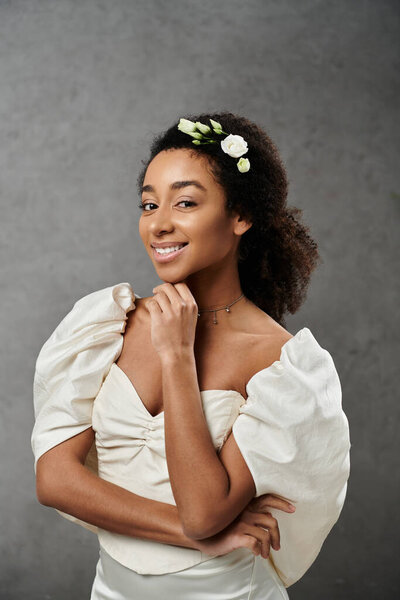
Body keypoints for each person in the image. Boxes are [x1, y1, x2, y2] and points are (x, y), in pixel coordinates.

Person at [31, 111, 351, 599]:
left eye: (184, 202)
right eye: (148, 204)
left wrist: (178, 355)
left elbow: (204, 510)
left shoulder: (280, 364)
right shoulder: (105, 326)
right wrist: (191, 535)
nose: (159, 224)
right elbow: (54, 479)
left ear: (240, 215)